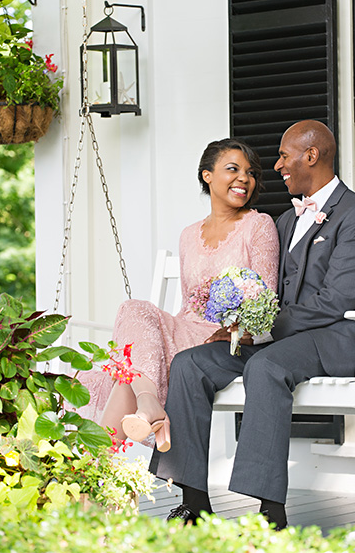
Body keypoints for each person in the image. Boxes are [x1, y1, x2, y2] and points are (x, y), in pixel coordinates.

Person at [149, 120, 355, 529]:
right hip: (278, 339)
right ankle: (194, 501)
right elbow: (265, 289)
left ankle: (269, 513)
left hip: (339, 337)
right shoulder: (286, 223)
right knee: (189, 363)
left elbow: (337, 299)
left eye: (284, 156)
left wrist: (267, 326)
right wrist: (239, 318)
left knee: (266, 366)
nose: (277, 166)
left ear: (311, 156)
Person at [78, 138, 279, 451]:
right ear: (207, 175)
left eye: (250, 173)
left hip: (225, 341)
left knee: (127, 372)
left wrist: (235, 330)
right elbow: (188, 306)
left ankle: (96, 477)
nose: (244, 178)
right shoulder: (188, 235)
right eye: (233, 169)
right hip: (184, 329)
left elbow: (267, 300)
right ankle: (147, 403)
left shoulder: (259, 225)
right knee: (133, 309)